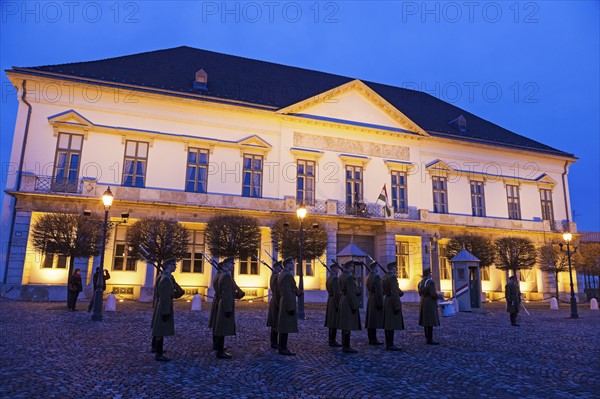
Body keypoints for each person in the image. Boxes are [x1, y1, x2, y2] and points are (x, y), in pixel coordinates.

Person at [213, 257, 244, 359]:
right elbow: (226, 294)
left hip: (223, 302)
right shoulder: (226, 276)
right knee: (222, 327)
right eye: (232, 263)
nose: (233, 265)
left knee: (220, 326)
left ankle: (219, 348)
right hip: (225, 304)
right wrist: (227, 309)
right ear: (226, 264)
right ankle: (220, 351)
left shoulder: (223, 275)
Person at [151, 260, 177, 361]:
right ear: (168, 266)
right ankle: (159, 353)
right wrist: (166, 311)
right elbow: (165, 297)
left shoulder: (164, 276)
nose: (175, 267)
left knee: (158, 329)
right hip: (163, 306)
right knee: (160, 330)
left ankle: (156, 349)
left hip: (160, 305)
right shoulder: (166, 279)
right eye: (174, 265)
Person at [276, 257, 300, 355]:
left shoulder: (283, 274)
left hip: (284, 302)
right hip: (287, 303)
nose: (293, 265)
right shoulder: (286, 275)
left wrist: (297, 292)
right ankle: (283, 347)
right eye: (291, 263)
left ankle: (282, 346)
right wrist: (291, 307)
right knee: (285, 326)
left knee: (284, 326)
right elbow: (287, 292)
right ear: (286, 265)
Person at [338, 260, 362, 353]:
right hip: (348, 301)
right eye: (352, 266)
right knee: (347, 324)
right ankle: (346, 346)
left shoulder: (341, 276)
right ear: (350, 267)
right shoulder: (350, 277)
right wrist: (355, 306)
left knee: (345, 325)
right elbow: (352, 293)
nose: (353, 268)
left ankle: (345, 345)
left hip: (343, 300)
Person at [418, 268, 445, 345]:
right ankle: (430, 339)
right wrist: (439, 296)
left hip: (423, 301)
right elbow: (433, 294)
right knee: (430, 320)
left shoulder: (420, 282)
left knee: (425, 321)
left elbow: (420, 293)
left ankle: (427, 337)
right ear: (429, 274)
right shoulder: (430, 282)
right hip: (429, 302)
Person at [382, 262, 404, 351]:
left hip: (387, 300)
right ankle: (390, 344)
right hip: (392, 301)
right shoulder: (392, 277)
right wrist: (397, 305)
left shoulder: (385, 277)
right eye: (395, 267)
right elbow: (394, 292)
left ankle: (388, 343)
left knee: (388, 324)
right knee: (391, 324)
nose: (396, 268)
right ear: (392, 267)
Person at [365, 262, 384, 346]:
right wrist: (380, 303)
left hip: (370, 298)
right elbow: (379, 291)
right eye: (377, 266)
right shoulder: (376, 277)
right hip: (375, 298)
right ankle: (373, 339)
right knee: (373, 320)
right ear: (375, 267)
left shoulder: (368, 276)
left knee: (370, 320)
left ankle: (371, 338)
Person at [266, 260, 283, 349]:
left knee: (275, 323)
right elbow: (277, 291)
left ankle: (274, 342)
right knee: (276, 323)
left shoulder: (274, 275)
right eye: (280, 266)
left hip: (275, 300)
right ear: (276, 267)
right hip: (276, 301)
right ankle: (274, 343)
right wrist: (279, 303)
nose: (281, 268)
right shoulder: (276, 277)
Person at [324, 262, 342, 347]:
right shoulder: (335, 279)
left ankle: (330, 339)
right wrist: (339, 305)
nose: (338, 270)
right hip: (334, 301)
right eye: (337, 268)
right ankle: (332, 340)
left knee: (331, 321)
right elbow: (336, 293)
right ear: (334, 269)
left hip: (330, 300)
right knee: (333, 322)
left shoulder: (329, 278)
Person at [208, 268, 223, 350]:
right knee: (218, 324)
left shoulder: (217, 276)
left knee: (216, 323)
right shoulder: (221, 276)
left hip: (217, 300)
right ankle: (217, 344)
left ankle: (216, 343)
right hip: (219, 301)